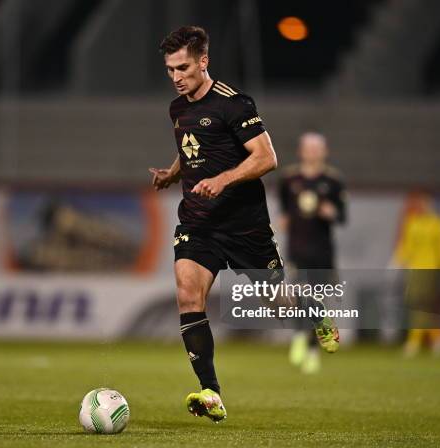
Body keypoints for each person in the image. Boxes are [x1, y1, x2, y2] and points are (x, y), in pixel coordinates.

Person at [149, 26, 339, 423]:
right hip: (199, 224)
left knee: (276, 304)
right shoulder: (178, 109)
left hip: (244, 226)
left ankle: (312, 310)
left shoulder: (234, 104)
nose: (176, 77)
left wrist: (223, 180)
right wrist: (171, 173)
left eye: (182, 67)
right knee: (188, 293)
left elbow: (267, 158)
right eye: (169, 70)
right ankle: (211, 392)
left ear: (204, 61)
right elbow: (193, 149)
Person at [278, 132, 347, 374]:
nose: (313, 152)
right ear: (301, 151)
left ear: (324, 151)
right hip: (297, 249)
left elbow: (342, 216)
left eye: (317, 148)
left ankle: (312, 351)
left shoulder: (334, 181)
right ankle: (299, 336)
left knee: (316, 300)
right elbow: (285, 210)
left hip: (322, 252)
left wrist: (333, 213)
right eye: (308, 148)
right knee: (298, 296)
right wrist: (284, 220)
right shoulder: (289, 179)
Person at [392, 191, 440, 357]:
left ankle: (415, 343)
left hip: (431, 269)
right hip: (414, 268)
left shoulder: (438, 223)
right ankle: (436, 339)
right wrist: (397, 261)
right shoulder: (412, 223)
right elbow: (407, 246)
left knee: (421, 305)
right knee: (420, 306)